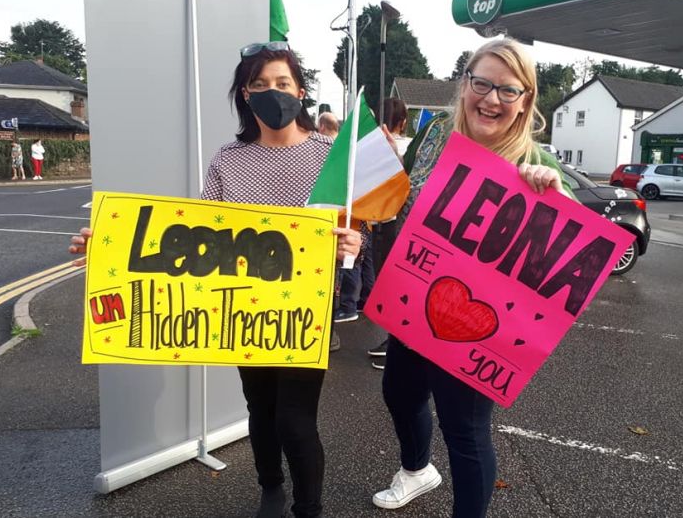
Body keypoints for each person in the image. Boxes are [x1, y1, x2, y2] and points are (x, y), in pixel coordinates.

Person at [70, 41, 361, 518]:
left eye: (282, 83)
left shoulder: (331, 158)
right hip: (241, 308)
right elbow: (195, 235)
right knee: (260, 408)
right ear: (245, 96)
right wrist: (107, 244)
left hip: (303, 310)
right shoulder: (228, 160)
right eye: (260, 85)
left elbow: (359, 224)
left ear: (301, 91)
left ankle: (309, 507)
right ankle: (271, 489)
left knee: (295, 418)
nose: (273, 92)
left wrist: (355, 244)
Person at [372, 38, 575, 517]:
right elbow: (399, 199)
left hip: (480, 322)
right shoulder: (434, 135)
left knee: (464, 429)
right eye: (481, 83)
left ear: (526, 100)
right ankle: (417, 470)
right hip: (416, 300)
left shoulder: (538, 163)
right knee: (399, 395)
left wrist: (554, 194)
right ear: (464, 84)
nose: (491, 99)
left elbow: (569, 251)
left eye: (508, 91)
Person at [368, 97, 413, 370]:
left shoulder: (380, 147)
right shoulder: (413, 146)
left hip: (383, 221)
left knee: (390, 282)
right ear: (403, 121)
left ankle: (395, 339)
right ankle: (395, 338)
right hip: (399, 224)